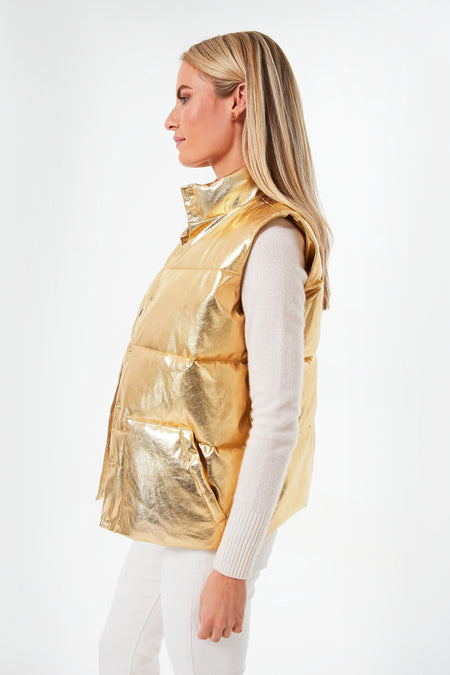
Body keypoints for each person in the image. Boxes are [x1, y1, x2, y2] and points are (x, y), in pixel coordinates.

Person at [96, 30, 332, 674]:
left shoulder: (270, 238)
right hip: (174, 506)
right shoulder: (213, 228)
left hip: (217, 524)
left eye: (184, 96)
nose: (170, 119)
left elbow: (278, 418)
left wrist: (233, 566)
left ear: (239, 100)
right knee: (120, 654)